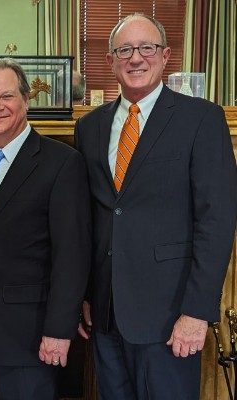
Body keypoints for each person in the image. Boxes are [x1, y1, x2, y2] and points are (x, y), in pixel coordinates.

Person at [74, 13, 237, 400]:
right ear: (111, 61)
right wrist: (83, 295)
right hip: (106, 314)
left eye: (146, 48)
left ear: (165, 56)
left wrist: (197, 312)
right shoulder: (90, 127)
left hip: (171, 318)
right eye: (124, 50)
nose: (135, 58)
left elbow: (215, 223)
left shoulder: (201, 119)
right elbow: (89, 220)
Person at [0, 57, 91, 400]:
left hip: (30, 341)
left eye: (6, 96)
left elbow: (73, 255)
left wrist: (58, 329)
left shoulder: (62, 163)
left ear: (25, 100)